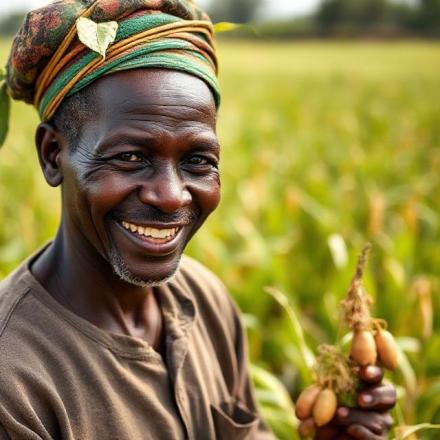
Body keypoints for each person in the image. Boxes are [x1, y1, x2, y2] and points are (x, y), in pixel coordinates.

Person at [0, 0, 396, 438]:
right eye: (130, 157)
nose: (171, 197)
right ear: (53, 155)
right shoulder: (13, 383)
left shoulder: (204, 298)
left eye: (197, 160)